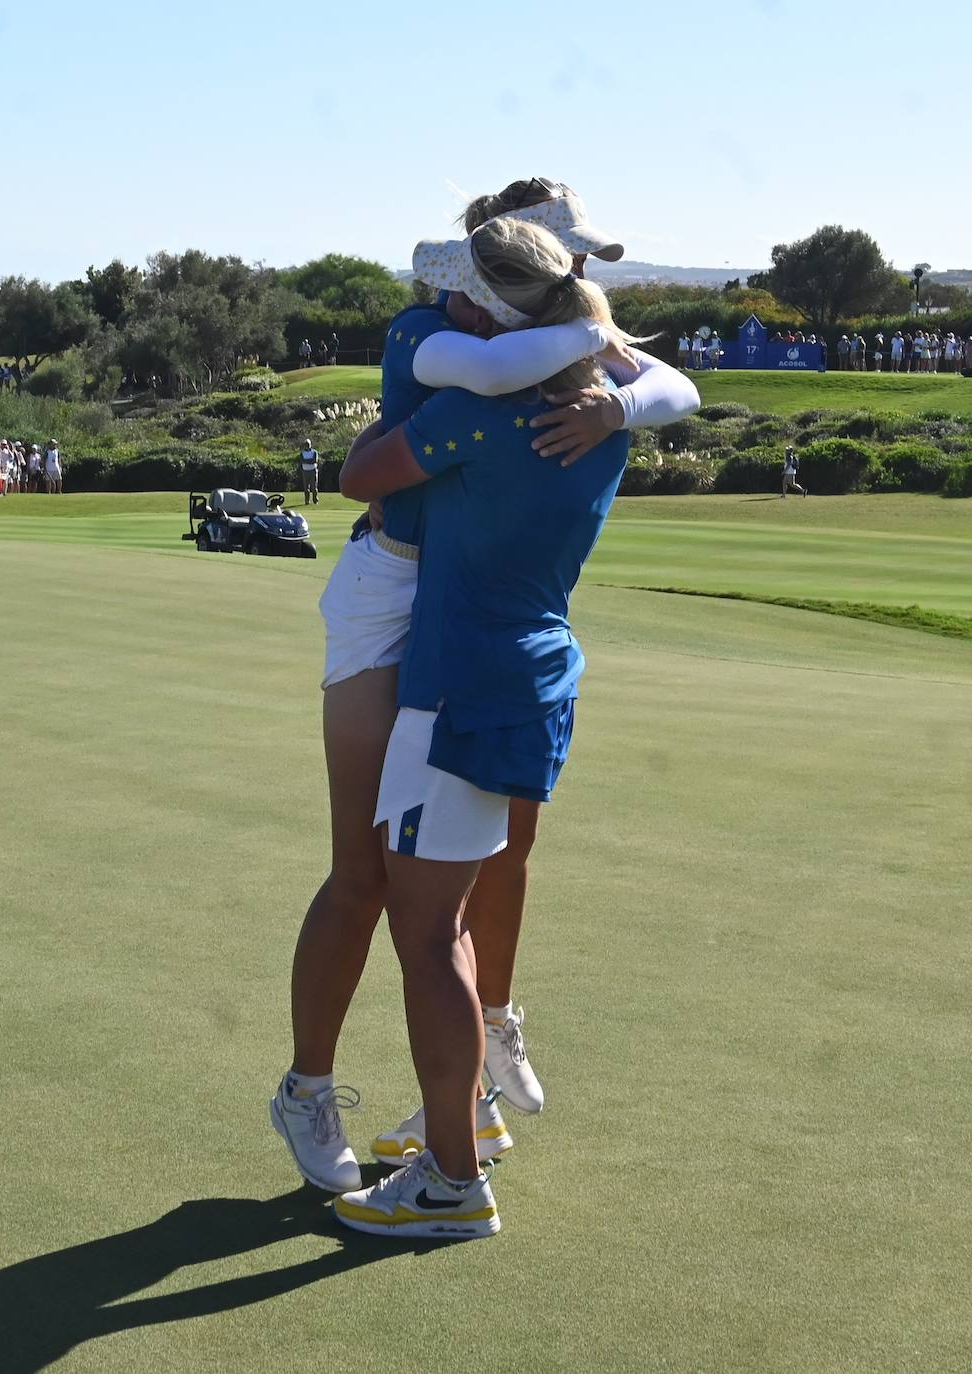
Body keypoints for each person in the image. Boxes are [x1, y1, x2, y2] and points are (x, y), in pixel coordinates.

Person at [270, 184, 699, 1203]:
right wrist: (597, 377)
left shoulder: (559, 337)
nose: (586, 274)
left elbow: (671, 384)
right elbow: (390, 453)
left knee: (471, 875)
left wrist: (616, 397)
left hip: (468, 607)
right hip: (395, 592)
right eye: (571, 257)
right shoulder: (438, 328)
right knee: (369, 877)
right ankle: (308, 1088)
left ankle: (469, 1101)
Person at [327, 216, 634, 1239]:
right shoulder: (608, 413)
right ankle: (471, 1131)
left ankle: (453, 1180)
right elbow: (658, 384)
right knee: (447, 927)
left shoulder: (472, 418)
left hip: (456, 692)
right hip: (539, 679)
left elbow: (360, 478)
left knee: (423, 937)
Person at [300, 439, 319, 505]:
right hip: (305, 471)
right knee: (306, 487)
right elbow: (302, 461)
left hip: (313, 470)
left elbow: (314, 460)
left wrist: (306, 461)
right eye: (306, 444)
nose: (307, 446)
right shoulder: (302, 453)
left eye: (308, 444)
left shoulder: (314, 452)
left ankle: (315, 500)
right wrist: (309, 461)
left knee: (314, 487)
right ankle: (307, 501)